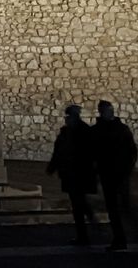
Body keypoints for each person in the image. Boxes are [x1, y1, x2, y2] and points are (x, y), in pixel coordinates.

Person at [46, 104, 97, 245]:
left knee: (78, 203)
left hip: (79, 173)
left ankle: (84, 233)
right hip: (71, 173)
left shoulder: (82, 132)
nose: (67, 119)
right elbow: (59, 151)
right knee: (78, 203)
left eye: (69, 116)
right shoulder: (70, 131)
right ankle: (86, 230)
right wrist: (53, 166)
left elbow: (90, 153)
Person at [92, 99, 138, 252]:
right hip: (112, 174)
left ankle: (124, 237)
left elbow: (132, 151)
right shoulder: (117, 129)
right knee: (117, 208)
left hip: (115, 174)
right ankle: (123, 238)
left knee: (119, 208)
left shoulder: (107, 130)